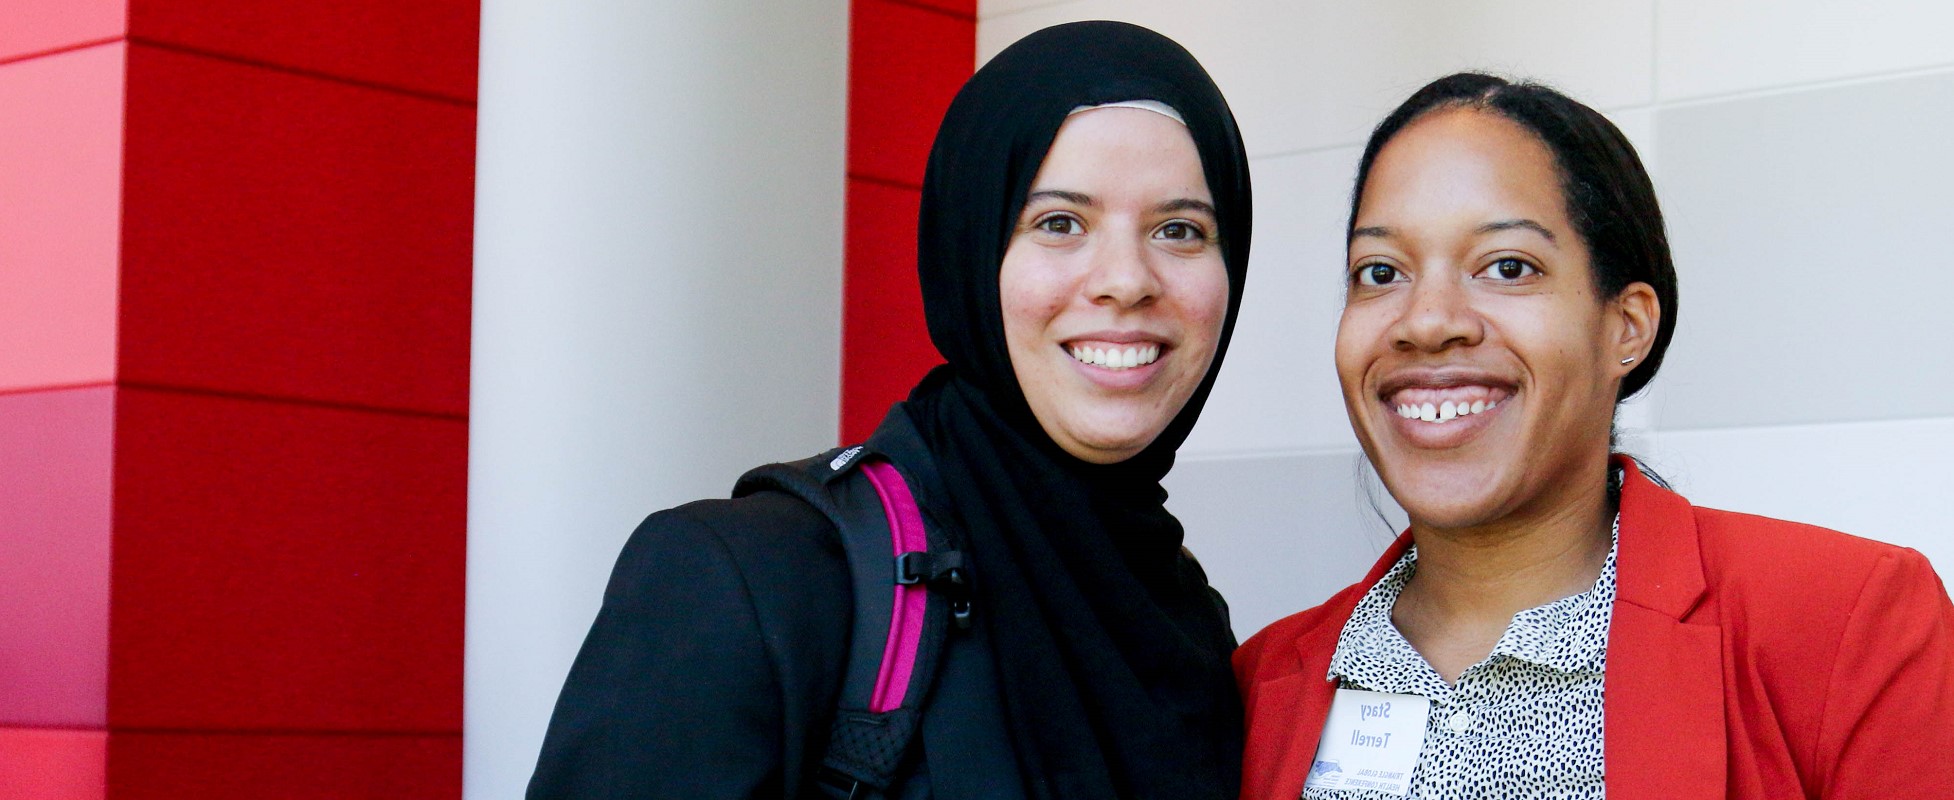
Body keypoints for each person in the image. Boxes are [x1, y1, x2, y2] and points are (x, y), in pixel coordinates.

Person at [527, 21, 1253, 799]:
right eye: (1059, 223)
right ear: (969, 252)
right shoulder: (752, 581)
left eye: (1179, 230)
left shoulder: (1188, 619)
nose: (1126, 279)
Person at [1234, 72, 1954, 799]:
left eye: (1507, 267)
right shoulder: (1259, 685)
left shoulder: (1846, 626)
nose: (1426, 320)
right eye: (1380, 271)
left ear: (1627, 327)